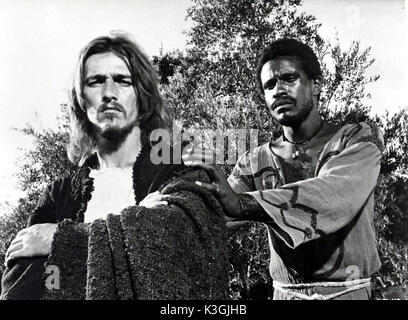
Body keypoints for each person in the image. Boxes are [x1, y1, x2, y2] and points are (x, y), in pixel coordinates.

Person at [1, 31, 229, 300]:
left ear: (141, 94)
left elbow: (175, 245)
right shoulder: (59, 195)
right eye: (96, 82)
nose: (109, 93)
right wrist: (136, 224)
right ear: (81, 98)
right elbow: (30, 280)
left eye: (123, 81)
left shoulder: (179, 167)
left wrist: (62, 241)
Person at [185, 38, 384, 300]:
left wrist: (241, 204)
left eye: (289, 78)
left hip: (351, 293)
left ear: (316, 85)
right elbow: (216, 215)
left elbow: (334, 193)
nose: (278, 90)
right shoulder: (254, 161)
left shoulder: (357, 139)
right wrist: (173, 199)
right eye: (269, 85)